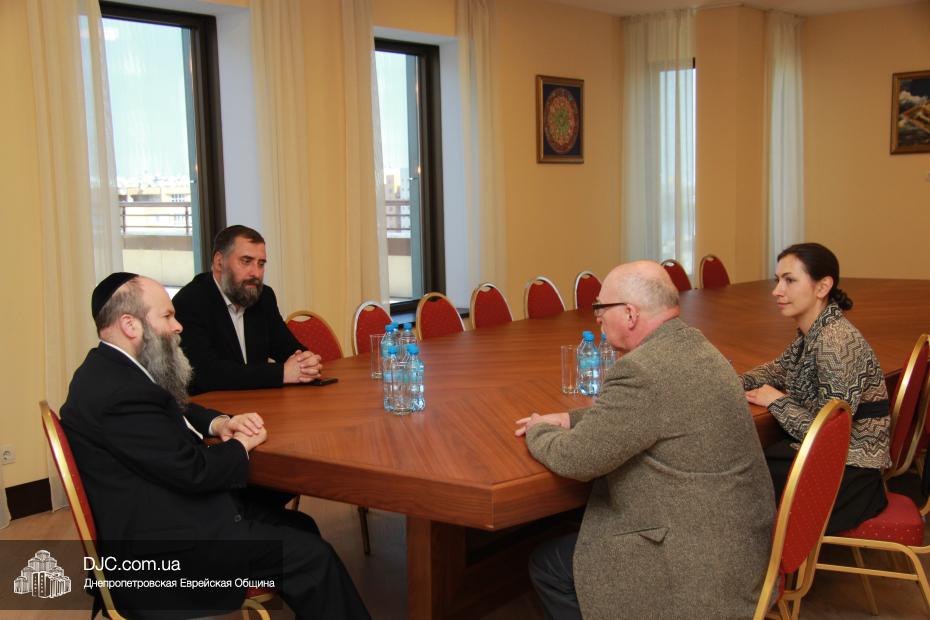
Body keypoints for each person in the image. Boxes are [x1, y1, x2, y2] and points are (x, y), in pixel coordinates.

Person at [60, 272, 371, 620]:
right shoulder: (119, 395)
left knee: (301, 527)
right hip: (165, 554)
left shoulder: (110, 371)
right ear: (130, 325)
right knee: (314, 558)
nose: (178, 326)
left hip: (165, 515)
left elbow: (169, 405)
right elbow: (194, 471)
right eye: (167, 316)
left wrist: (219, 422)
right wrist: (240, 444)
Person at [515, 261, 774, 620]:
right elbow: (653, 412)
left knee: (548, 565)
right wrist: (570, 418)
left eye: (601, 307)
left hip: (694, 567)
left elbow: (577, 459)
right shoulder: (696, 347)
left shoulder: (641, 370)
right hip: (738, 545)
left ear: (630, 314)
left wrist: (538, 428)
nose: (596, 317)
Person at [742, 242, 890, 533]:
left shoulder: (835, 343)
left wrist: (777, 401)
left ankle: (758, 559)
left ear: (822, 287)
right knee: (746, 464)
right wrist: (734, 382)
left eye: (790, 280)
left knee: (741, 476)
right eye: (777, 280)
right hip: (836, 463)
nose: (777, 291)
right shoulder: (816, 329)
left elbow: (829, 435)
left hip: (851, 474)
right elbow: (778, 369)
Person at [173, 225, 321, 395]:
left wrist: (306, 361)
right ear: (219, 262)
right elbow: (207, 374)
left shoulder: (263, 297)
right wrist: (281, 373)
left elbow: (287, 347)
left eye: (261, 264)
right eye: (246, 261)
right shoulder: (190, 302)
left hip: (257, 401)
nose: (256, 273)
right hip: (211, 406)